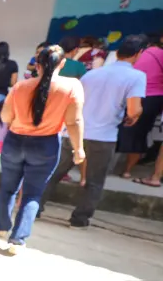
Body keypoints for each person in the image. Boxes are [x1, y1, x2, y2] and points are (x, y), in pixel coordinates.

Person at [40, 36, 146, 225]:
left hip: (74, 131)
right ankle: (79, 219)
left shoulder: (92, 74)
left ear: (117, 53)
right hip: (103, 136)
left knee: (54, 173)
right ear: (138, 54)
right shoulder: (137, 77)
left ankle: (34, 207)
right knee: (94, 181)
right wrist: (135, 115)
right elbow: (133, 110)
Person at [0, 45, 85, 255]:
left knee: (8, 187)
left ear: (37, 65)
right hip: (45, 145)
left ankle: (2, 227)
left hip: (14, 141)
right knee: (32, 194)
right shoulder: (72, 86)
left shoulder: (20, 87)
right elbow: (73, 121)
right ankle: (17, 240)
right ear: (62, 63)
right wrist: (78, 149)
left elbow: (5, 117)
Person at [119, 36, 163, 186]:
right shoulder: (160, 54)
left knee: (119, 129)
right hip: (154, 98)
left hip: (133, 94)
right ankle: (127, 170)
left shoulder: (136, 55)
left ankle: (106, 166)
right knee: (140, 134)